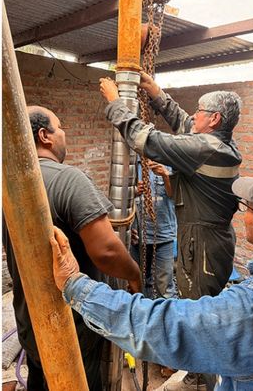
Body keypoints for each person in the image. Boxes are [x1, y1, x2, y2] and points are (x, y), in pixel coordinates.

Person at [50, 173, 253, 390]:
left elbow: (161, 325)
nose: (241, 213)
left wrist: (75, 285)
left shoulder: (252, 309)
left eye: (247, 208)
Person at [100, 74, 242, 389]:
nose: (194, 115)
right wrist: (157, 94)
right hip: (206, 239)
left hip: (202, 245)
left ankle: (206, 381)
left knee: (201, 315)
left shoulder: (206, 148)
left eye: (200, 111)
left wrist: (115, 104)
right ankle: (199, 373)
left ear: (214, 119)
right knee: (200, 309)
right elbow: (184, 125)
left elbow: (150, 141)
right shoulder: (217, 144)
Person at [3, 106, 141, 390]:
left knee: (40, 381)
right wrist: (135, 275)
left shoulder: (7, 182)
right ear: (45, 136)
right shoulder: (68, 179)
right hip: (73, 326)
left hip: (30, 323)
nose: (64, 134)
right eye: (60, 127)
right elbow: (107, 252)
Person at [132, 159, 178, 299]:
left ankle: (167, 318)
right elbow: (121, 198)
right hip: (138, 236)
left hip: (163, 234)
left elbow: (174, 195)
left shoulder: (169, 163)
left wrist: (165, 175)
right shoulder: (132, 166)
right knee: (140, 283)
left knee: (165, 286)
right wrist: (133, 191)